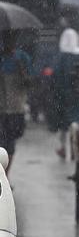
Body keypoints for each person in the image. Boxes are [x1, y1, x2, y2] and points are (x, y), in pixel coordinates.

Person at [0, 31, 33, 175]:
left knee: (9, 144)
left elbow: (30, 82)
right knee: (7, 144)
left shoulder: (22, 58)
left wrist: (22, 72)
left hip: (15, 109)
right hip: (4, 110)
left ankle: (5, 176)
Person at [49, 26, 79, 159]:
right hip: (77, 94)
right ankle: (76, 141)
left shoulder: (61, 57)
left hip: (63, 95)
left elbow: (54, 76)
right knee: (76, 118)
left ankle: (63, 147)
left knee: (64, 122)